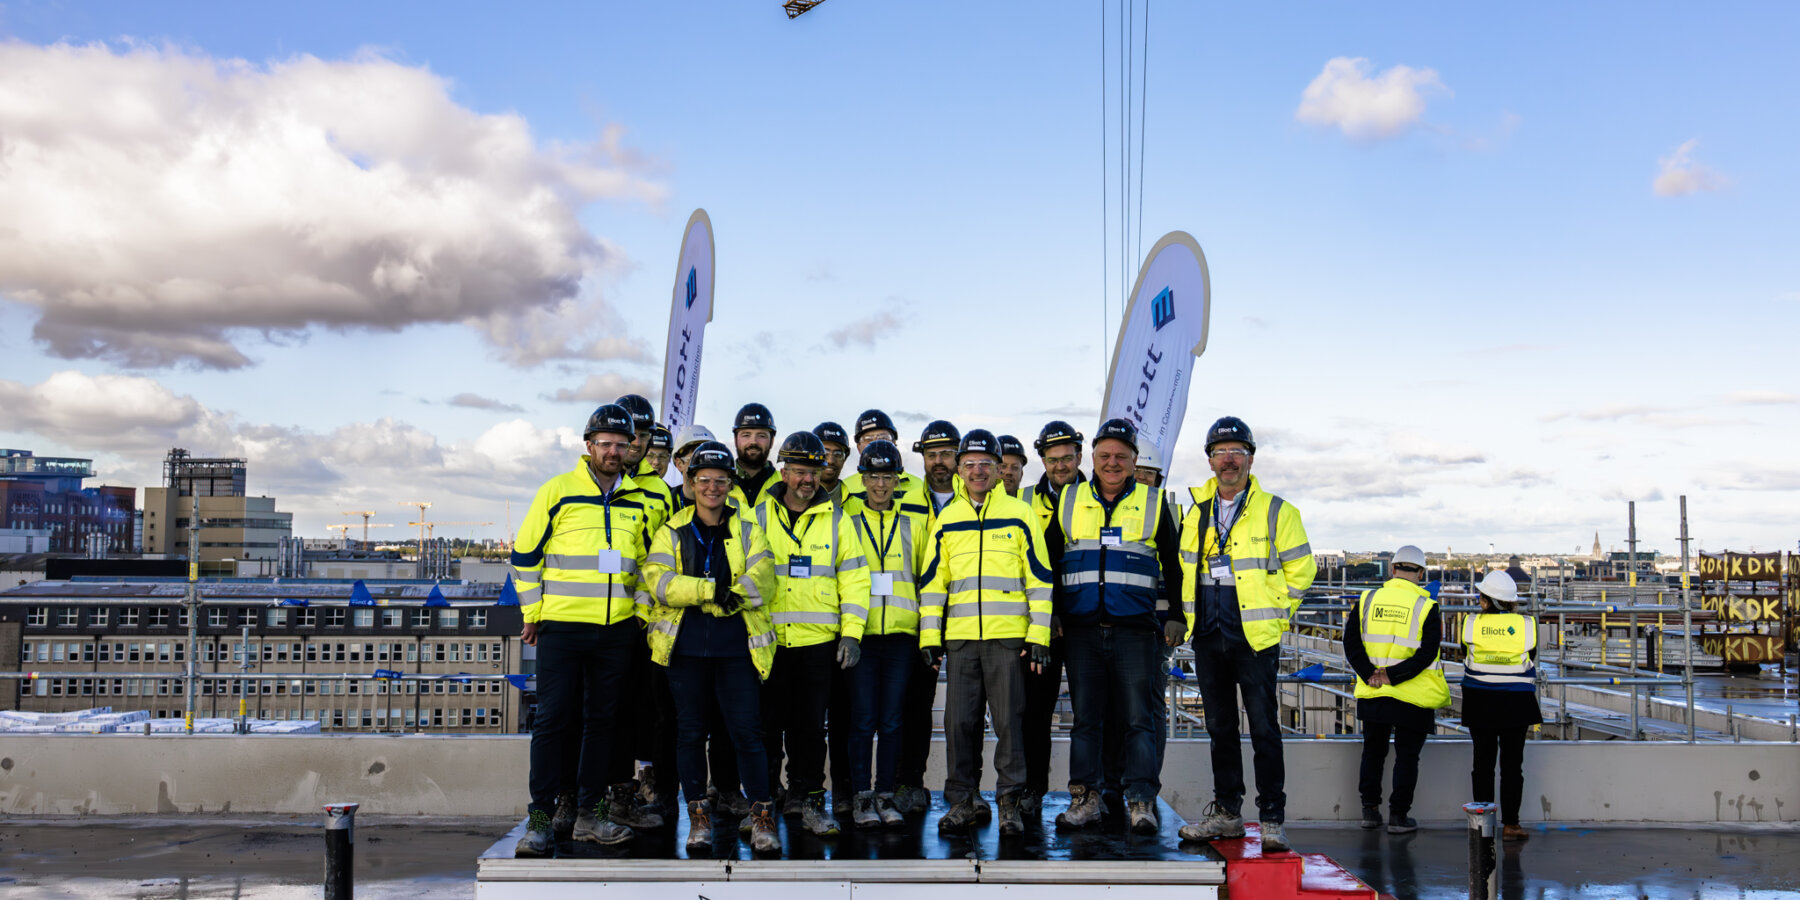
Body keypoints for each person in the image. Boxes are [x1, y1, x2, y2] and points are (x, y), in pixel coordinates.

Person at [512, 404, 656, 855]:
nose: (613, 452)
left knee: (602, 724)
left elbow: (652, 564)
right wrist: (533, 613)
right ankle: (539, 818)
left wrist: (641, 614)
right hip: (563, 629)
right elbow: (525, 555)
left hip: (615, 632)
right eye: (605, 444)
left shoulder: (637, 499)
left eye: (622, 444)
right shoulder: (557, 491)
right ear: (588, 446)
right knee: (553, 722)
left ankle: (589, 816)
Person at [1176, 416, 1315, 853]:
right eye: (1220, 453)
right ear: (1210, 461)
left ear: (1251, 459)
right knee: (1218, 727)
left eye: (1237, 452)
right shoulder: (1196, 513)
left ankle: (1272, 817)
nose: (1229, 460)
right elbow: (1184, 570)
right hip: (1209, 632)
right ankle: (1227, 814)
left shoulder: (1278, 511)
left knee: (1263, 728)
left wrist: (1276, 614)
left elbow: (1303, 571)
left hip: (1253, 635)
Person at [641, 441, 783, 855]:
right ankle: (698, 817)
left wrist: (732, 596)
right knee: (689, 735)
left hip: (737, 650)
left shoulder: (748, 529)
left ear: (730, 485)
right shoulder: (672, 530)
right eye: (704, 480)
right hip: (684, 652)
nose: (712, 488)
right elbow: (659, 581)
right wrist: (711, 591)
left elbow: (765, 578)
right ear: (690, 482)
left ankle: (761, 818)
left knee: (747, 735)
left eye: (721, 481)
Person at [1046, 419, 1185, 834]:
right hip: (1082, 629)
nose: (1112, 463)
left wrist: (1176, 613)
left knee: (1138, 718)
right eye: (1104, 456)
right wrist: (1053, 612)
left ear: (1133, 461)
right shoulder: (1069, 499)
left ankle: (1140, 800)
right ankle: (1085, 799)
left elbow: (1176, 565)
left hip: (1135, 630)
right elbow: (1052, 563)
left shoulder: (1154, 502)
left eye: (1120, 456)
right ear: (1093, 458)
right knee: (1086, 719)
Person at [919, 429, 1055, 837]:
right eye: (969, 464)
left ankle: (1009, 802)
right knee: (959, 724)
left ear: (999, 470)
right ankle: (963, 801)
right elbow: (932, 584)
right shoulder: (947, 519)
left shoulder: (1020, 514)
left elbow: (1041, 579)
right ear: (959, 470)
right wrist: (929, 637)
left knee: (1010, 725)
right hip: (960, 644)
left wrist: (1039, 637)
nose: (977, 471)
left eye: (985, 464)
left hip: (1007, 642)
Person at [753, 430, 871, 837]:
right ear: (783, 472)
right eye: (800, 471)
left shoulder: (838, 519)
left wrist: (852, 634)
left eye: (814, 472)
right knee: (766, 731)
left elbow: (855, 579)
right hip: (768, 645)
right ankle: (765, 806)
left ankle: (809, 804)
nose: (807, 480)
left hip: (817, 646)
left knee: (809, 733)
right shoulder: (758, 515)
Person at [842, 439, 931, 828]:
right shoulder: (846, 522)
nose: (880, 485)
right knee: (862, 720)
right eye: (874, 476)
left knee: (893, 721)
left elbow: (929, 581)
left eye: (888, 477)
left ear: (899, 480)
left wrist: (927, 635)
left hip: (900, 635)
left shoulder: (915, 523)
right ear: (862, 479)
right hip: (861, 635)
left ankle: (886, 793)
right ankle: (861, 796)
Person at [1345, 544, 1450, 835]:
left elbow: (1351, 643)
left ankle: (1369, 811)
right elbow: (1427, 652)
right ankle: (1398, 817)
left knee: (1373, 752)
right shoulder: (1427, 605)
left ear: (1392, 569)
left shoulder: (1367, 599)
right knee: (1406, 757)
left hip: (1373, 690)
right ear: (1420, 573)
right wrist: (1393, 675)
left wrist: (1371, 674)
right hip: (1411, 695)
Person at [1015, 419, 1083, 813]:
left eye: (1067, 458)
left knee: (1091, 713)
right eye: (1053, 459)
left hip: (1087, 622)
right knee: (1035, 712)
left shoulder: (1094, 496)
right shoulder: (1024, 501)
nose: (1060, 466)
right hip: (1041, 625)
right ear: (1041, 459)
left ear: (1078, 455)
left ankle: (1090, 791)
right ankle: (1031, 789)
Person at [1461, 570, 1540, 843]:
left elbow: (1464, 653)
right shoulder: (1527, 624)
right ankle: (1511, 825)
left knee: (1482, 764)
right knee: (1511, 765)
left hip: (1479, 698)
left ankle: (1483, 825)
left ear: (1486, 601)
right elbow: (1531, 655)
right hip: (1517, 700)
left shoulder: (1470, 623)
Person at [839, 409, 929, 516]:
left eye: (883, 437)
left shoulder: (919, 486)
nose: (877, 443)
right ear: (858, 447)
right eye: (868, 438)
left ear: (894, 442)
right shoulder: (845, 489)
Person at [730, 403, 780, 510]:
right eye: (746, 435)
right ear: (735, 440)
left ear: (772, 441)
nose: (753, 441)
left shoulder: (784, 484)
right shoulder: (720, 482)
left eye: (761, 435)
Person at [913, 420, 962, 515]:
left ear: (959, 457)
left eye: (945, 454)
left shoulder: (974, 498)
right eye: (931, 455)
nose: (938, 461)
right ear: (923, 458)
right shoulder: (908, 502)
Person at [813, 421, 853, 504]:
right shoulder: (794, 501)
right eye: (824, 453)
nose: (830, 461)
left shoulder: (859, 507)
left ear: (845, 458)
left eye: (837, 454)